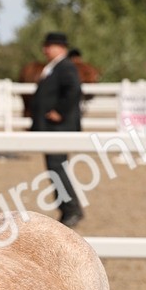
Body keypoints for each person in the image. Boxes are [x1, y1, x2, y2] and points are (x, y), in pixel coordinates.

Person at [29, 31, 84, 228]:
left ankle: (71, 209)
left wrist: (60, 111)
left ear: (60, 47)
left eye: (49, 46)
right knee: (55, 168)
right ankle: (66, 207)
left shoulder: (65, 66)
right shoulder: (53, 67)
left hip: (59, 127)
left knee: (57, 167)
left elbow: (74, 90)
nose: (45, 49)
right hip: (51, 128)